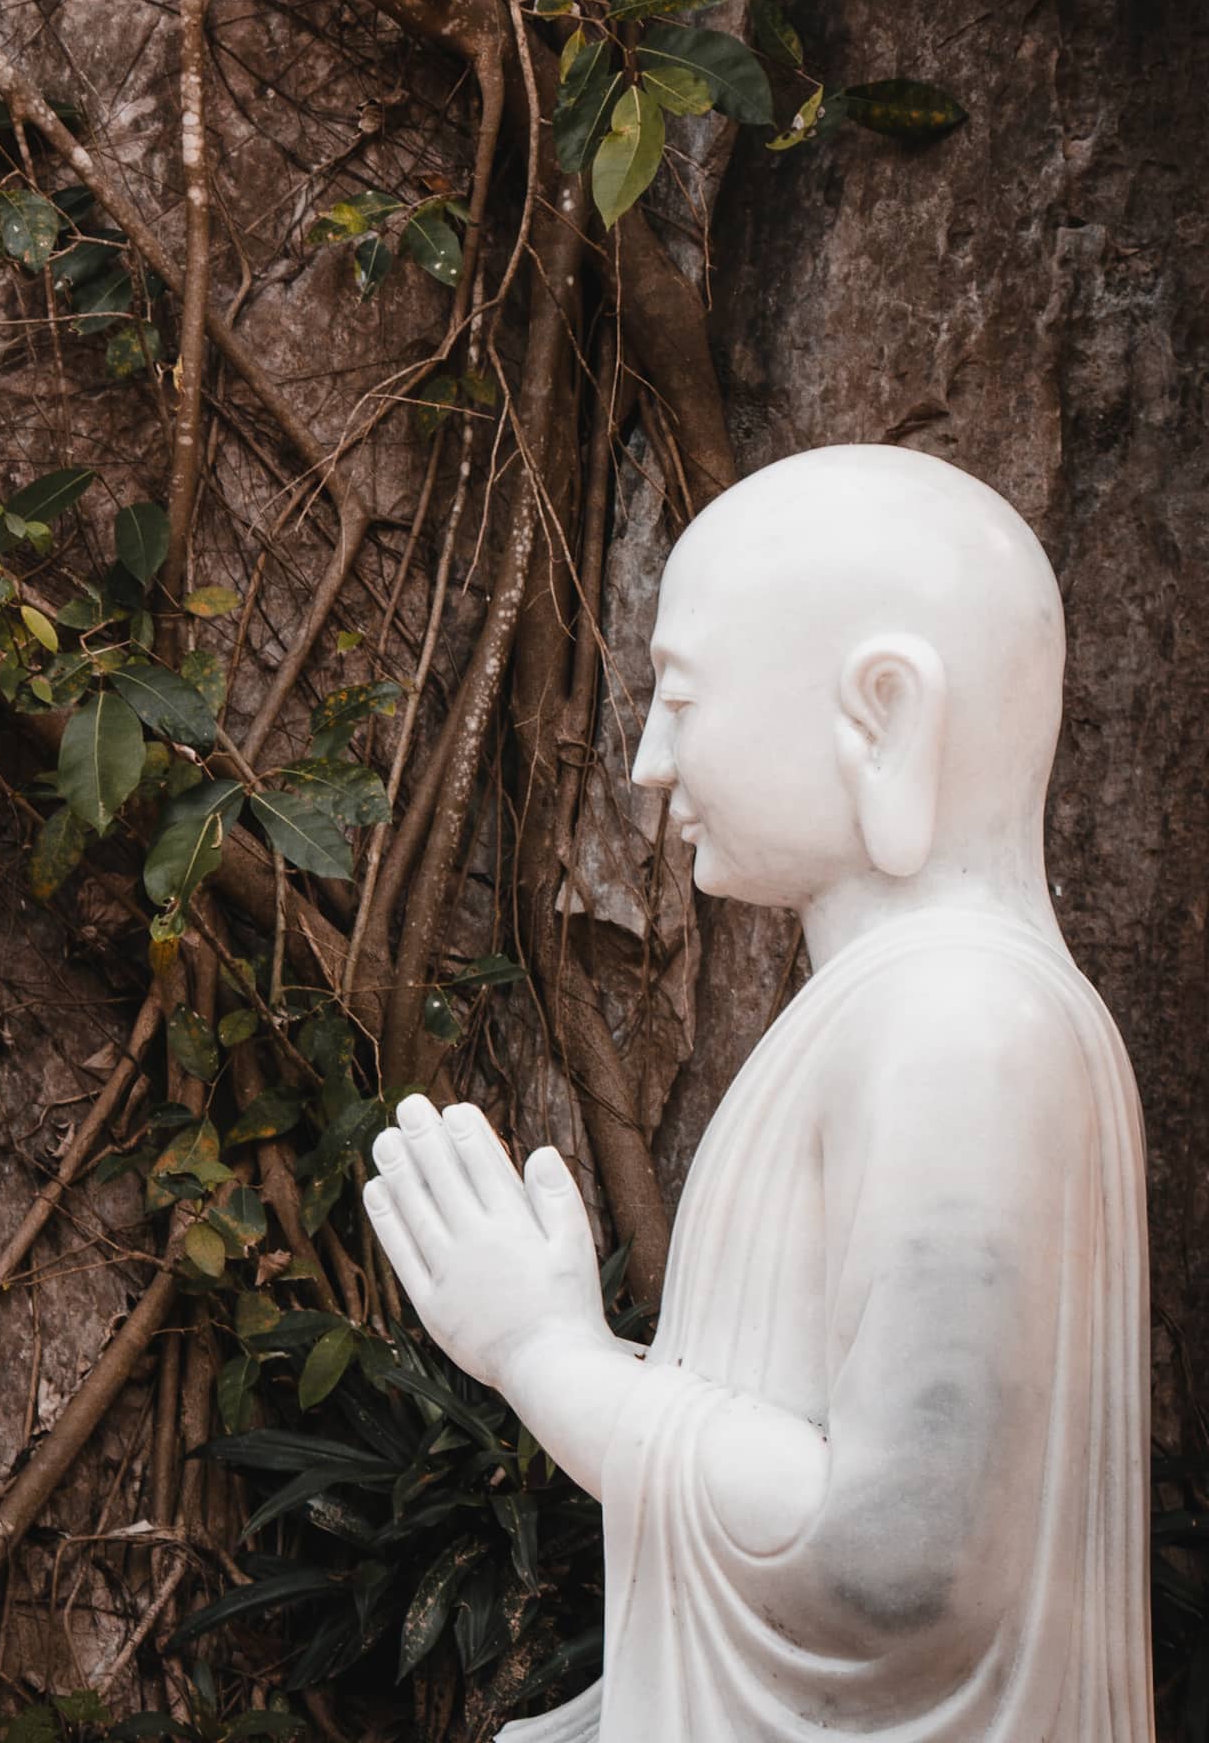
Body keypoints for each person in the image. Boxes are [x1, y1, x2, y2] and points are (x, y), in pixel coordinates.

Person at [365, 446, 1153, 1743]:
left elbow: (895, 1566)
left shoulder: (957, 1024)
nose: (650, 763)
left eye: (683, 696)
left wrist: (544, 1354)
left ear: (883, 712)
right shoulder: (926, 1005)